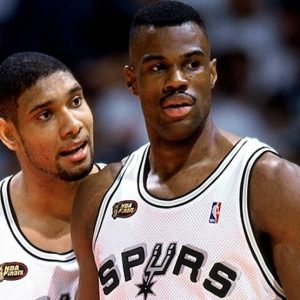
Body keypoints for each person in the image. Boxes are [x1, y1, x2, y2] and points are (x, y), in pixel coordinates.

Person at [71, 1, 300, 299]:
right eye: (157, 67)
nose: (177, 80)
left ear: (213, 73)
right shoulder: (97, 195)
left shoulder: (272, 184)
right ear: (131, 80)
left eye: (192, 64)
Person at [0, 51, 106, 299]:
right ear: (8, 134)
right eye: (45, 115)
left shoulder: (134, 197)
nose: (73, 125)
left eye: (76, 101)